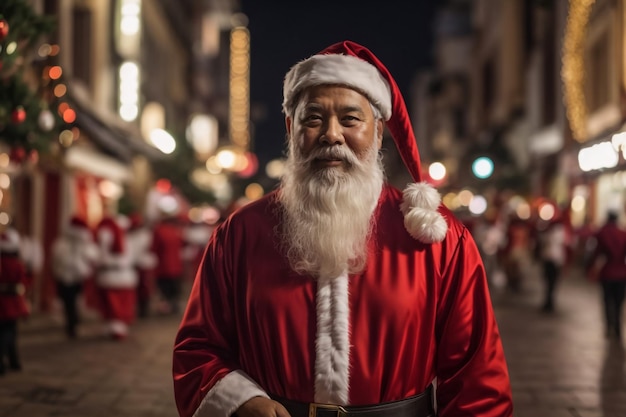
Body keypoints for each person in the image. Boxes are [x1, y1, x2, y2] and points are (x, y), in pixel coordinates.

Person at [173, 41, 513, 417]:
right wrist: (239, 401)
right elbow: (198, 348)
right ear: (291, 129)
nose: (331, 135)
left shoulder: (438, 238)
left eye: (350, 119)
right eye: (313, 119)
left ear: (378, 132)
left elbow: (477, 376)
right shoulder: (240, 234)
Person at [51, 215, 99, 338]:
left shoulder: (64, 243)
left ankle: (73, 323)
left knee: (72, 303)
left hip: (74, 277)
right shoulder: (68, 244)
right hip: (70, 277)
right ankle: (72, 324)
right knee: (70, 303)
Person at [94, 215, 138, 340]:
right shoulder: (127, 239)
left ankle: (115, 327)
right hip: (123, 276)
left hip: (109, 275)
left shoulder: (104, 237)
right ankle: (117, 326)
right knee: (119, 303)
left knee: (112, 304)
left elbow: (99, 257)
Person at [586, 211, 626, 340]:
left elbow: (596, 253)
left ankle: (609, 327)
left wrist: (591, 268)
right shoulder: (623, 233)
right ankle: (618, 328)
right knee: (619, 302)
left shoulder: (602, 233)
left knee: (607, 300)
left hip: (608, 272)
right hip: (621, 273)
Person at [0, 227, 30, 375]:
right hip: (11, 302)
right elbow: (23, 282)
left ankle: (13, 360)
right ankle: (9, 360)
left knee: (6, 331)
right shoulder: (17, 264)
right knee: (9, 331)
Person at [151, 209, 185, 314]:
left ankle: (166, 308)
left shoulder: (158, 231)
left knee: (164, 289)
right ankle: (173, 306)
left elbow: (153, 248)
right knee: (174, 288)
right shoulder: (176, 231)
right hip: (176, 265)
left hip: (163, 267)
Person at [537, 216, 568, 312]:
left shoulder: (550, 233)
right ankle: (549, 302)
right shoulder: (560, 233)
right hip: (554, 260)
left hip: (551, 260)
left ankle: (549, 302)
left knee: (550, 282)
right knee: (551, 282)